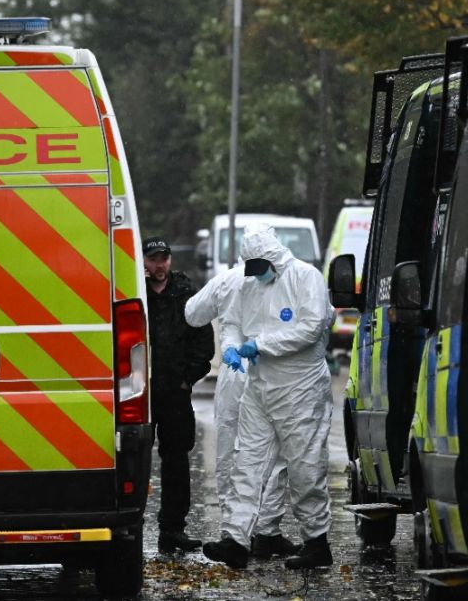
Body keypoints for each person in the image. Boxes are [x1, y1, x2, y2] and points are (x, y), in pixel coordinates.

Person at [203, 223, 334, 570]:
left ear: (273, 259)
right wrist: (231, 347)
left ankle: (317, 541)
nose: (255, 275)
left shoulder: (306, 278)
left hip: (300, 388)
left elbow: (312, 326)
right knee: (247, 462)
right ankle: (235, 539)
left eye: (260, 268)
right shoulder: (250, 285)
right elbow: (233, 323)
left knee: (305, 466)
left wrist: (261, 344)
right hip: (259, 387)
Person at [184, 265, 298, 560]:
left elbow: (193, 313)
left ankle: (233, 534)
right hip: (273, 370)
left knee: (231, 454)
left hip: (236, 372)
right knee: (274, 454)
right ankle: (266, 531)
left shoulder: (227, 279)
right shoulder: (288, 278)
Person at [143, 236, 215, 554]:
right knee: (132, 460)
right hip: (139, 393)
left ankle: (172, 530)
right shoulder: (133, 290)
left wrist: (188, 378)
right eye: (154, 259)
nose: (160, 265)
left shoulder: (185, 292)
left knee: (176, 463)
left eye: (164, 259)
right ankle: (125, 529)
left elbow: (203, 339)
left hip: (174, 392)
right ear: (143, 261)